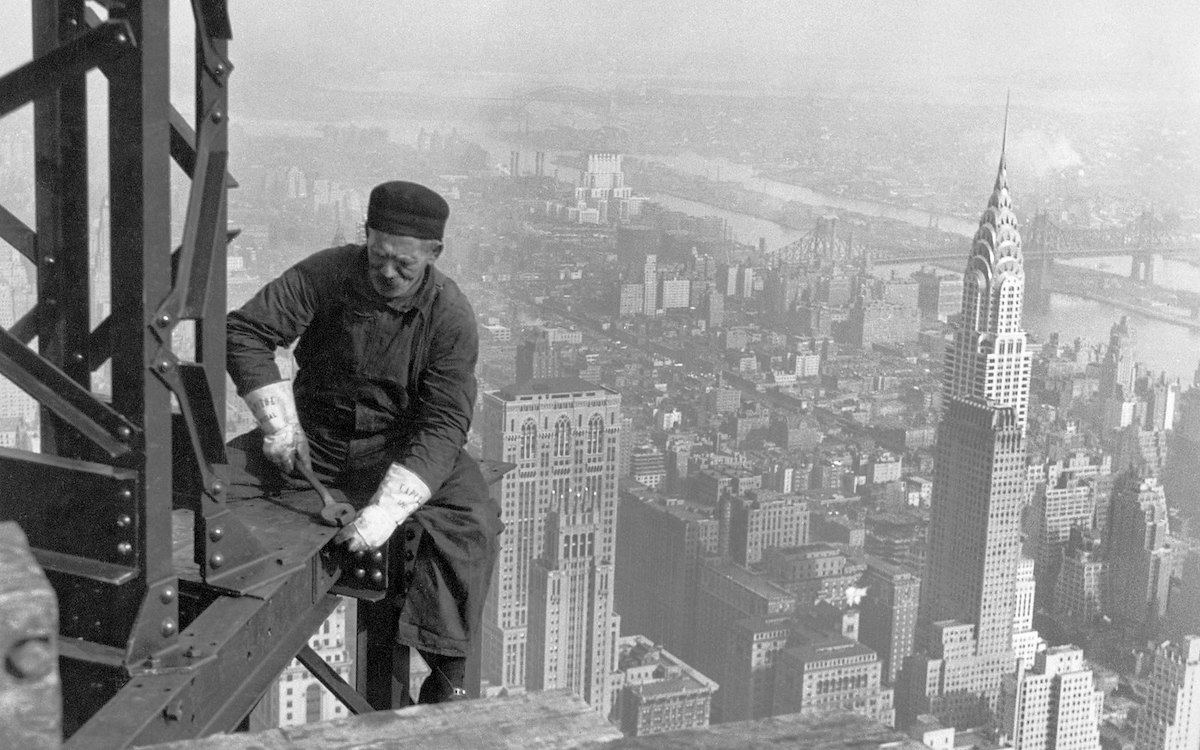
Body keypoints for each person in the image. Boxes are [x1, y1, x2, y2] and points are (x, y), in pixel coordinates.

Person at [226, 180, 502, 704]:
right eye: (378, 256)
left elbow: (444, 423)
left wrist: (387, 511)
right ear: (366, 237)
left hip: (399, 452)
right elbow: (246, 332)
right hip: (315, 442)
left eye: (404, 264)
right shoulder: (326, 272)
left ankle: (447, 674)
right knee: (210, 478)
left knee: (471, 521)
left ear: (433, 255)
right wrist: (279, 424)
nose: (388, 273)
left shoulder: (449, 315)